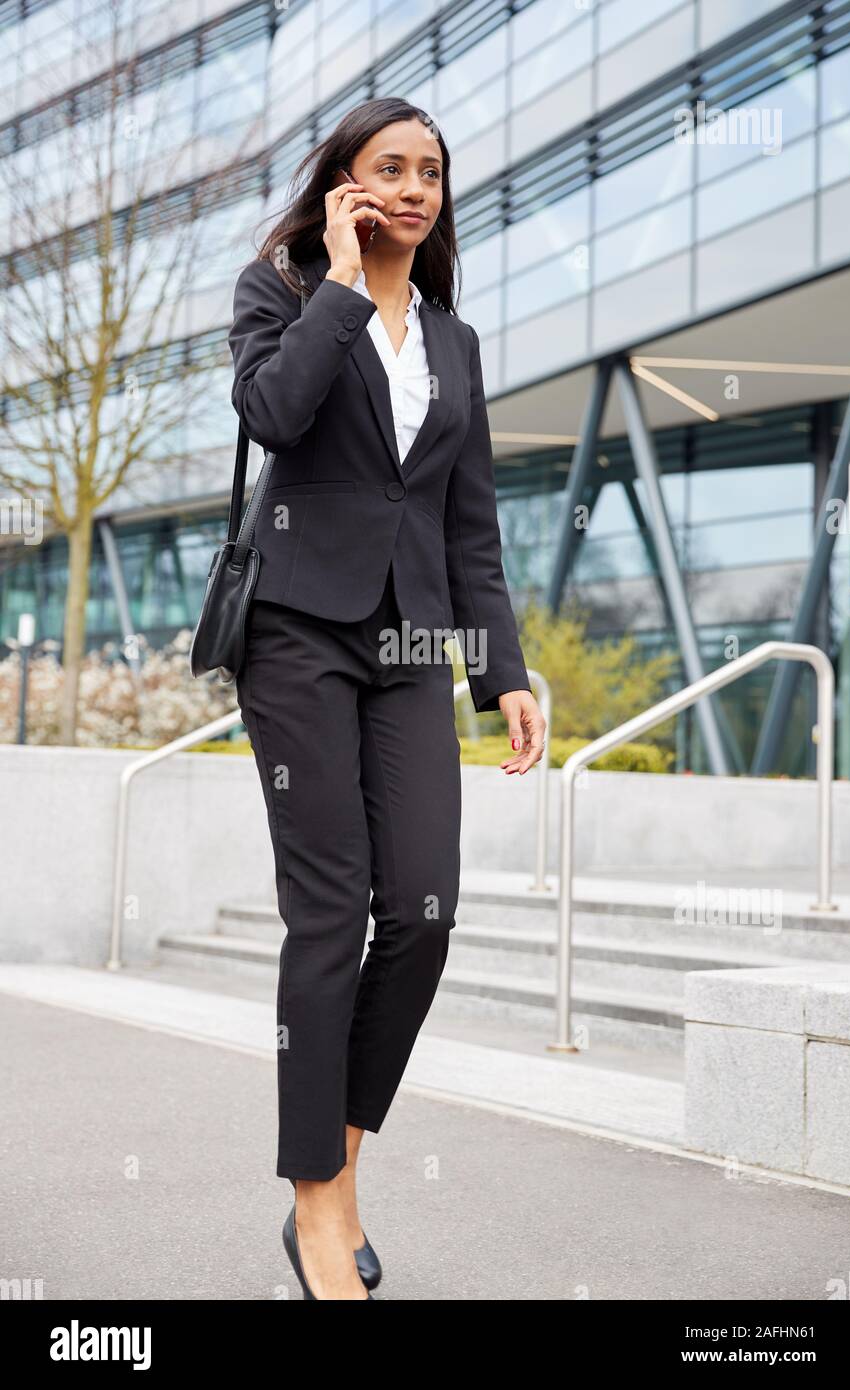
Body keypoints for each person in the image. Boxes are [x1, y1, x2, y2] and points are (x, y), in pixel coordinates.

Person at [228, 96, 546, 1300]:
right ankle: (319, 1211)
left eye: (430, 171)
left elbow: (471, 523)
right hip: (298, 634)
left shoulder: (457, 342)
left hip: (413, 641)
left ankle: (339, 1156)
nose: (413, 187)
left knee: (421, 908)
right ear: (344, 184)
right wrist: (343, 285)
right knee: (329, 917)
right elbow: (269, 414)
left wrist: (501, 672)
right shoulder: (283, 292)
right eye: (387, 169)